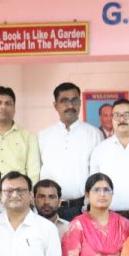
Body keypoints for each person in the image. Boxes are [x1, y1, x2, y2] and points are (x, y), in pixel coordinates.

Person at [39, 82, 104, 220]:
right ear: (55, 105)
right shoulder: (43, 136)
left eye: (74, 100)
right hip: (47, 208)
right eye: (64, 101)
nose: (70, 106)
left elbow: (98, 174)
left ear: (80, 103)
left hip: (81, 209)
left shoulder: (94, 134)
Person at [89, 98, 129, 224]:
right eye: (117, 115)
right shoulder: (100, 149)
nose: (122, 119)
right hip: (108, 219)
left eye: (127, 115)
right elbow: (93, 187)